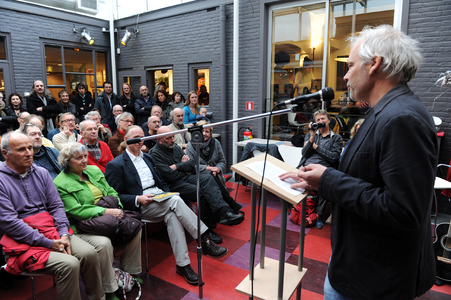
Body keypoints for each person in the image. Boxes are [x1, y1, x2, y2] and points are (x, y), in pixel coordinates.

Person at [280, 25, 437, 300]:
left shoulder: (402, 118)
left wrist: (328, 180)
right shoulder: (386, 111)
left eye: (350, 65)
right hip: (358, 267)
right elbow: (369, 177)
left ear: (374, 64)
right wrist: (322, 176)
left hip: (373, 282)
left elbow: (404, 210)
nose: (346, 75)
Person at [105, 126, 227, 285]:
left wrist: (167, 193)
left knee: (173, 215)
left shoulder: (148, 158)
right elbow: (115, 196)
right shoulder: (116, 164)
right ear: (126, 140)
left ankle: (183, 265)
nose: (139, 141)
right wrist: (138, 198)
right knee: (176, 201)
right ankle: (204, 239)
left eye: (142, 137)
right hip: (141, 204)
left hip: (161, 198)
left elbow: (161, 182)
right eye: (135, 137)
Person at [0, 132, 104, 300]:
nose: (29, 153)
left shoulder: (40, 172)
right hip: (20, 239)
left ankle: (98, 297)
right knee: (70, 264)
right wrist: (48, 243)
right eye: (21, 149)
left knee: (90, 253)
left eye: (29, 148)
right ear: (6, 154)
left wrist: (63, 233)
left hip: (51, 230)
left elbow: (56, 205)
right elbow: (9, 223)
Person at [54, 143, 142, 300]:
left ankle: (128, 272)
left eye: (85, 156)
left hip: (109, 214)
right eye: (78, 158)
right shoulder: (60, 183)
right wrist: (105, 211)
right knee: (103, 243)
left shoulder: (93, 170)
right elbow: (76, 211)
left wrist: (117, 207)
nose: (84, 160)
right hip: (84, 224)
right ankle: (109, 288)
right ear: (67, 161)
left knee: (135, 226)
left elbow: (111, 191)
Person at [150, 126, 244, 232]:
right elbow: (170, 176)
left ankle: (223, 213)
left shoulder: (175, 147)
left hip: (186, 176)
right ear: (159, 140)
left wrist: (177, 166)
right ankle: (207, 230)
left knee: (208, 177)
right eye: (168, 138)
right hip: (173, 184)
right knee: (202, 192)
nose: (172, 140)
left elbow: (191, 165)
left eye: (173, 136)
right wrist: (182, 164)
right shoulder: (155, 153)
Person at [296, 110, 342, 229]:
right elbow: (304, 154)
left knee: (324, 185)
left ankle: (319, 215)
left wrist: (316, 147)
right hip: (307, 167)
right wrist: (311, 137)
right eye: (318, 120)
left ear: (328, 120)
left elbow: (334, 157)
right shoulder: (311, 135)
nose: (321, 121)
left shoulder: (336, 138)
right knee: (296, 180)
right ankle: (298, 209)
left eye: (323, 119)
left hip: (324, 170)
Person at [186, 121, 242, 214]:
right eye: (202, 131)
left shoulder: (215, 142)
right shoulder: (191, 145)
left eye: (207, 132)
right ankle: (228, 202)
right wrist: (209, 168)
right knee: (209, 176)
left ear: (210, 133)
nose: (204, 134)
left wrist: (217, 169)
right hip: (199, 175)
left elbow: (222, 161)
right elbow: (191, 166)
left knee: (212, 176)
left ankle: (223, 208)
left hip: (215, 173)